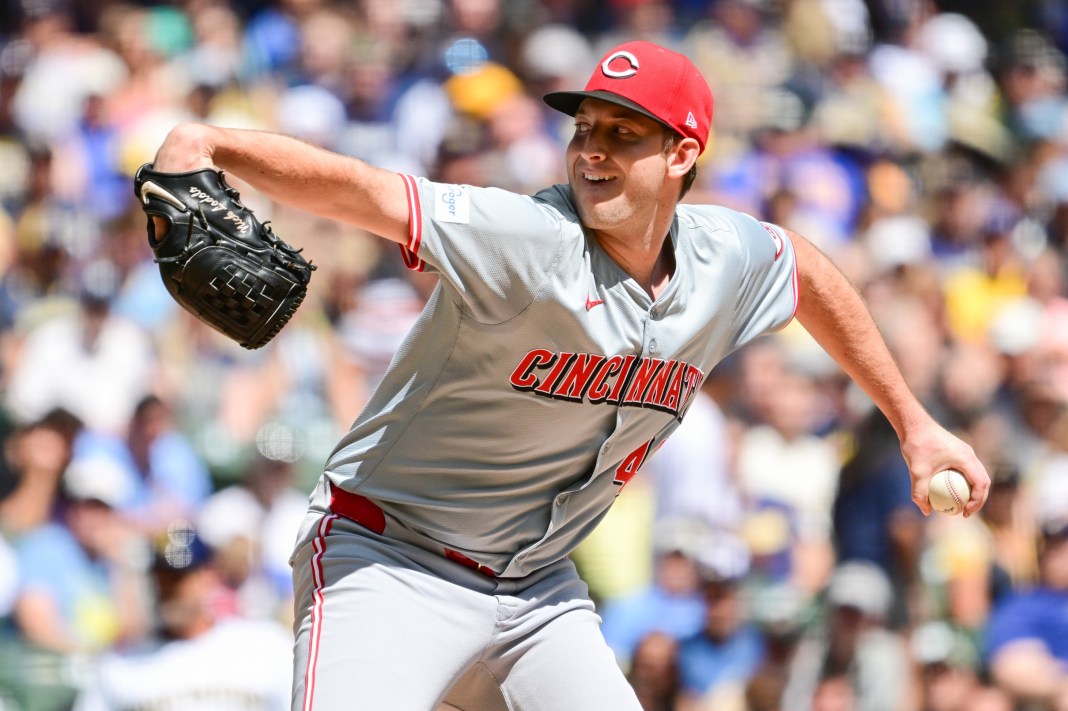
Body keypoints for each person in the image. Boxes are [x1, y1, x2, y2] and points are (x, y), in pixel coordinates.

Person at [145, 40, 989, 711]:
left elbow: (805, 270)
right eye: (584, 128)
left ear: (683, 153)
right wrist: (211, 142)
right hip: (391, 558)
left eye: (624, 134)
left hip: (538, 589)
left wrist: (913, 421)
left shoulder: (722, 256)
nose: (592, 151)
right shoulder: (527, 237)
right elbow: (370, 191)